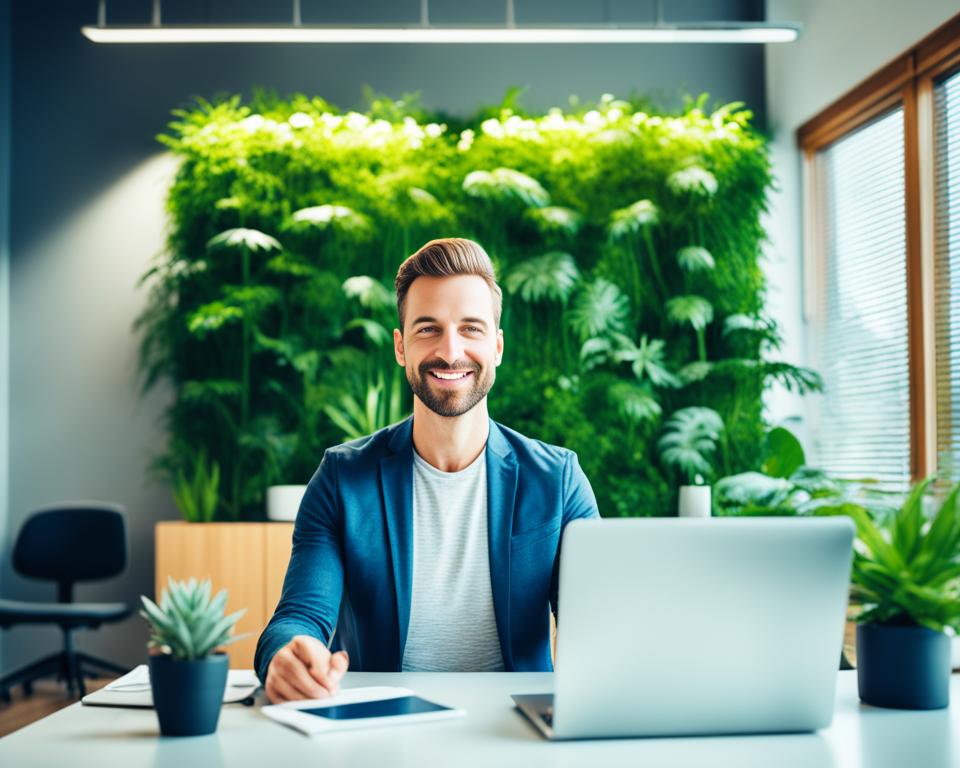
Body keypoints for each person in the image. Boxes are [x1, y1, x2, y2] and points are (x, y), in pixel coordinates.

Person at [255, 237, 599, 703]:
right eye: (428, 329)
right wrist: (286, 659)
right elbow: (299, 617)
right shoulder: (341, 479)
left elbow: (596, 626)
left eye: (471, 329)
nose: (450, 351)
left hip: (517, 732)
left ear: (497, 346)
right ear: (401, 347)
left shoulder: (557, 481)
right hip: (381, 730)